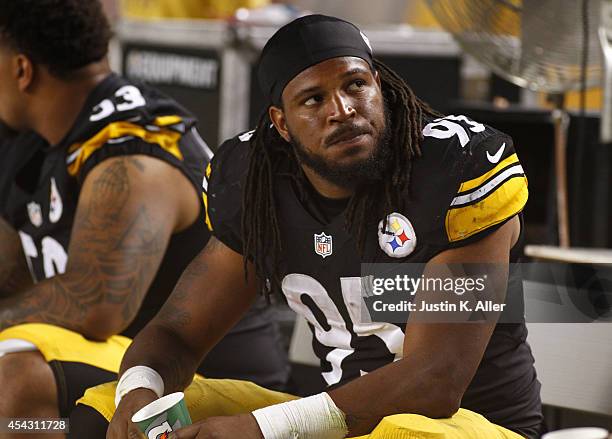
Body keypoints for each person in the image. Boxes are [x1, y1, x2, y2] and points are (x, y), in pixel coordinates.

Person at [79, 14, 543, 439]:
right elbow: (177, 334)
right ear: (280, 123)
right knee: (106, 409)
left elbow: (436, 381)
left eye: (355, 85)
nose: (341, 109)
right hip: (332, 424)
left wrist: (265, 429)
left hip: (466, 428)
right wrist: (139, 393)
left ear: (379, 85)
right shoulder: (257, 183)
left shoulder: (454, 168)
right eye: (313, 99)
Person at [0, 0, 288, 434]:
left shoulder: (133, 154)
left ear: (22, 70)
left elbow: (96, 304)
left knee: (15, 382)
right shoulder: (36, 137)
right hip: (116, 366)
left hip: (202, 382)